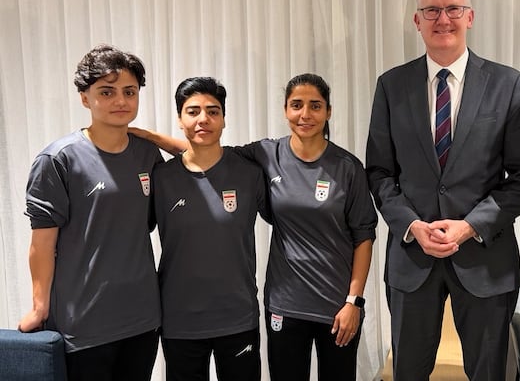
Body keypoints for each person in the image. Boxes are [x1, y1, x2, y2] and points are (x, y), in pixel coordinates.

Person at [133, 73, 376, 381]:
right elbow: (205, 150)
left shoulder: (345, 167)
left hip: (329, 304)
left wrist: (354, 300)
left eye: (315, 106)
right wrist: (147, 137)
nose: (305, 114)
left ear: (328, 112)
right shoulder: (263, 155)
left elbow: (364, 235)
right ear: (285, 110)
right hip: (279, 305)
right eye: (296, 105)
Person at [366, 0, 520, 380]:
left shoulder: (507, 85)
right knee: (408, 371)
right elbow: (378, 172)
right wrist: (411, 225)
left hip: (485, 257)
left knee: (488, 373)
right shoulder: (391, 86)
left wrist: (469, 226)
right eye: (432, 10)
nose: (443, 19)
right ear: (417, 20)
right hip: (412, 258)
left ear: (470, 16)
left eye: (453, 9)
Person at [17, 44, 163, 380]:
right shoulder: (58, 160)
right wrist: (40, 307)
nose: (121, 101)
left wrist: (155, 137)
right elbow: (41, 244)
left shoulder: (147, 155)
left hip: (141, 317)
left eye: (129, 92)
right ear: (85, 98)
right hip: (84, 322)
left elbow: (206, 161)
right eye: (107, 92)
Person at [154, 77, 267, 380]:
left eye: (213, 111)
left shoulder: (250, 174)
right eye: (192, 111)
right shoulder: (161, 178)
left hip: (237, 317)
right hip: (179, 320)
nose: (203, 119)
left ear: (224, 119)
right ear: (179, 120)